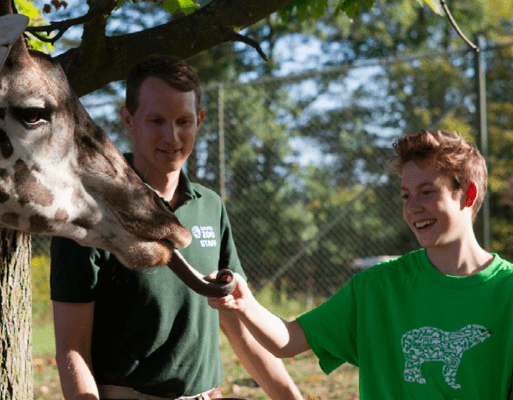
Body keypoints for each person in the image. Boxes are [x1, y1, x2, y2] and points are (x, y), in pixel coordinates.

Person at [50, 55, 303, 400]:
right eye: (156, 121)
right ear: (128, 119)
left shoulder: (210, 206)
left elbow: (236, 324)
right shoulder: (91, 211)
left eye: (183, 121)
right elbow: (72, 348)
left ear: (199, 121)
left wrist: (291, 397)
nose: (172, 136)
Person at [209, 129, 513, 398]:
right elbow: (288, 341)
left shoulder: (507, 291)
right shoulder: (377, 287)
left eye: (427, 192)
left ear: (468, 194)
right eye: (406, 195)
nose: (413, 207)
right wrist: (245, 303)